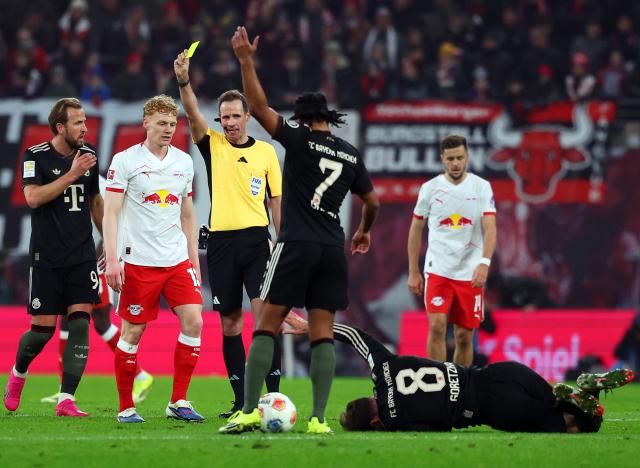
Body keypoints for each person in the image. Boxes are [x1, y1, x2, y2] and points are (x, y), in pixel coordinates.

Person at [220, 26, 380, 435]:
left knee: (266, 325)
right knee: (322, 334)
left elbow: (256, 105)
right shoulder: (349, 153)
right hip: (332, 248)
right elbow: (373, 202)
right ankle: (318, 420)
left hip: (296, 244)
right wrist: (362, 232)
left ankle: (250, 411)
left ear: (304, 120)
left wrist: (245, 61)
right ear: (329, 118)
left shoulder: (301, 140)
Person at [285, 314, 635, 433]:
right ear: (368, 395)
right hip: (497, 373)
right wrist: (310, 327)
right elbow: (354, 335)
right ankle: (579, 393)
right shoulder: (384, 368)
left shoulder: (393, 421)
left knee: (567, 428)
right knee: (550, 396)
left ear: (374, 422)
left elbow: (437, 426)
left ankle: (588, 410)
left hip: (493, 407)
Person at [174, 50, 284, 418]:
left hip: (257, 241)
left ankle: (274, 398)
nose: (231, 122)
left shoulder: (267, 153)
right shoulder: (213, 146)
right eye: (225, 117)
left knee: (265, 318)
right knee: (230, 322)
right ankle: (240, 401)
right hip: (220, 243)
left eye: (237, 116)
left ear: (248, 117)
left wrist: (282, 245)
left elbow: (276, 203)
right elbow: (191, 111)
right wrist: (184, 82)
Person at [103, 95, 203, 423]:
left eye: (173, 124)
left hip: (176, 260)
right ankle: (125, 407)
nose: (168, 130)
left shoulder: (183, 162)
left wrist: (193, 259)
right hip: (139, 260)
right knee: (133, 333)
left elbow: (187, 213)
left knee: (195, 320)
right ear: (145, 123)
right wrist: (113, 258)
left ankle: (179, 401)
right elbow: (111, 212)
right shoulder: (125, 161)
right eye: (161, 123)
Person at [3, 97, 102, 417]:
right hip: (46, 256)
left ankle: (66, 399)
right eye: (78, 122)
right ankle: (18, 374)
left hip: (82, 256)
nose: (85, 128)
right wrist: (71, 174)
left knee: (79, 326)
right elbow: (32, 198)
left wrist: (111, 242)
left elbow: (95, 201)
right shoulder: (35, 157)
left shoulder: (89, 157)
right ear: (61, 127)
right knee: (41, 332)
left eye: (85, 121)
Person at [407, 135, 497, 366]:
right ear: (442, 159)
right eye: (450, 159)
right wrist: (413, 271)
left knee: (464, 336)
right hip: (438, 269)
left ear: (467, 157)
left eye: (459, 158)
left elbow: (490, 227)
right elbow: (416, 229)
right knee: (437, 326)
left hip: (470, 272)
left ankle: (460, 387)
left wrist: (484, 263)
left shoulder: (481, 187)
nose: (455, 163)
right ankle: (439, 385)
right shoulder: (429, 189)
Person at [40, 270, 154, 405]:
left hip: (94, 270)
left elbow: (103, 247)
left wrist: (102, 263)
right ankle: (63, 389)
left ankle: (140, 376)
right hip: (71, 268)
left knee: (101, 323)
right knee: (66, 318)